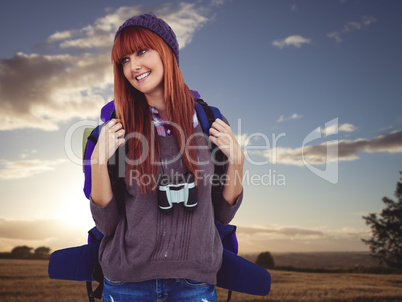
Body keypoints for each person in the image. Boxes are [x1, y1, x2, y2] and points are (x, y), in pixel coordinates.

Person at [90, 12, 245, 302]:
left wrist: (238, 161)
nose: (133, 66)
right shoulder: (118, 128)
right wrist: (98, 162)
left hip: (194, 284)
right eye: (124, 60)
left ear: (167, 53)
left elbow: (222, 215)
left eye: (141, 51)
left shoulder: (209, 120)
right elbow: (107, 224)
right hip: (127, 283)